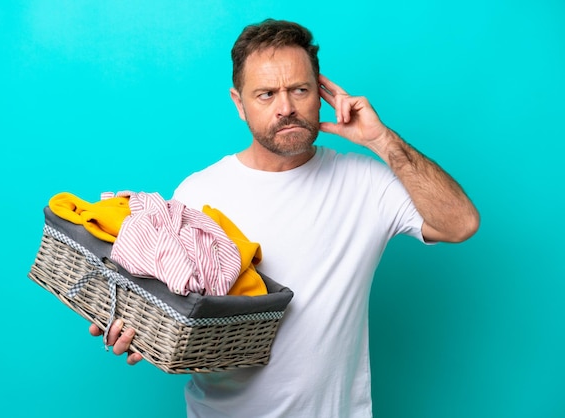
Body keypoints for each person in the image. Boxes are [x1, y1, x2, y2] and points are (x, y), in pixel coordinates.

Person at [90, 19, 480, 417]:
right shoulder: (198, 192)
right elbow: (173, 308)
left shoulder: (365, 182)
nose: (286, 108)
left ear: (320, 95)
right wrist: (139, 331)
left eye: (299, 89)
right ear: (239, 104)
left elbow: (460, 223)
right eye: (266, 94)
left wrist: (381, 140)